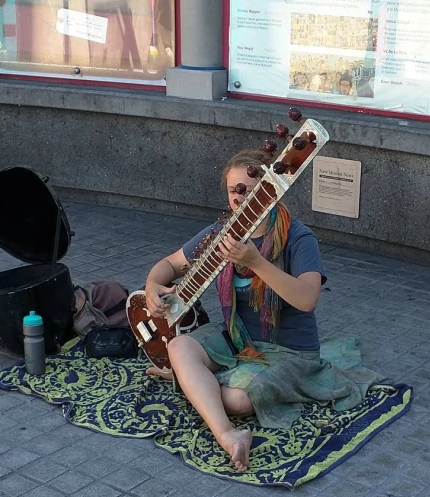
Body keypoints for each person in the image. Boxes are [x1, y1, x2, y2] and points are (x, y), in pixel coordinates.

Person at [143, 148, 335, 473]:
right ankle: (229, 435)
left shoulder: (298, 237)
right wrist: (152, 287)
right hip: (239, 341)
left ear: (268, 190)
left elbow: (306, 298)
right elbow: (170, 264)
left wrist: (255, 262)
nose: (240, 197)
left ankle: (191, 381)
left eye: (249, 188)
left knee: (240, 400)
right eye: (234, 190)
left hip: (289, 350)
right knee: (178, 345)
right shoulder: (222, 236)